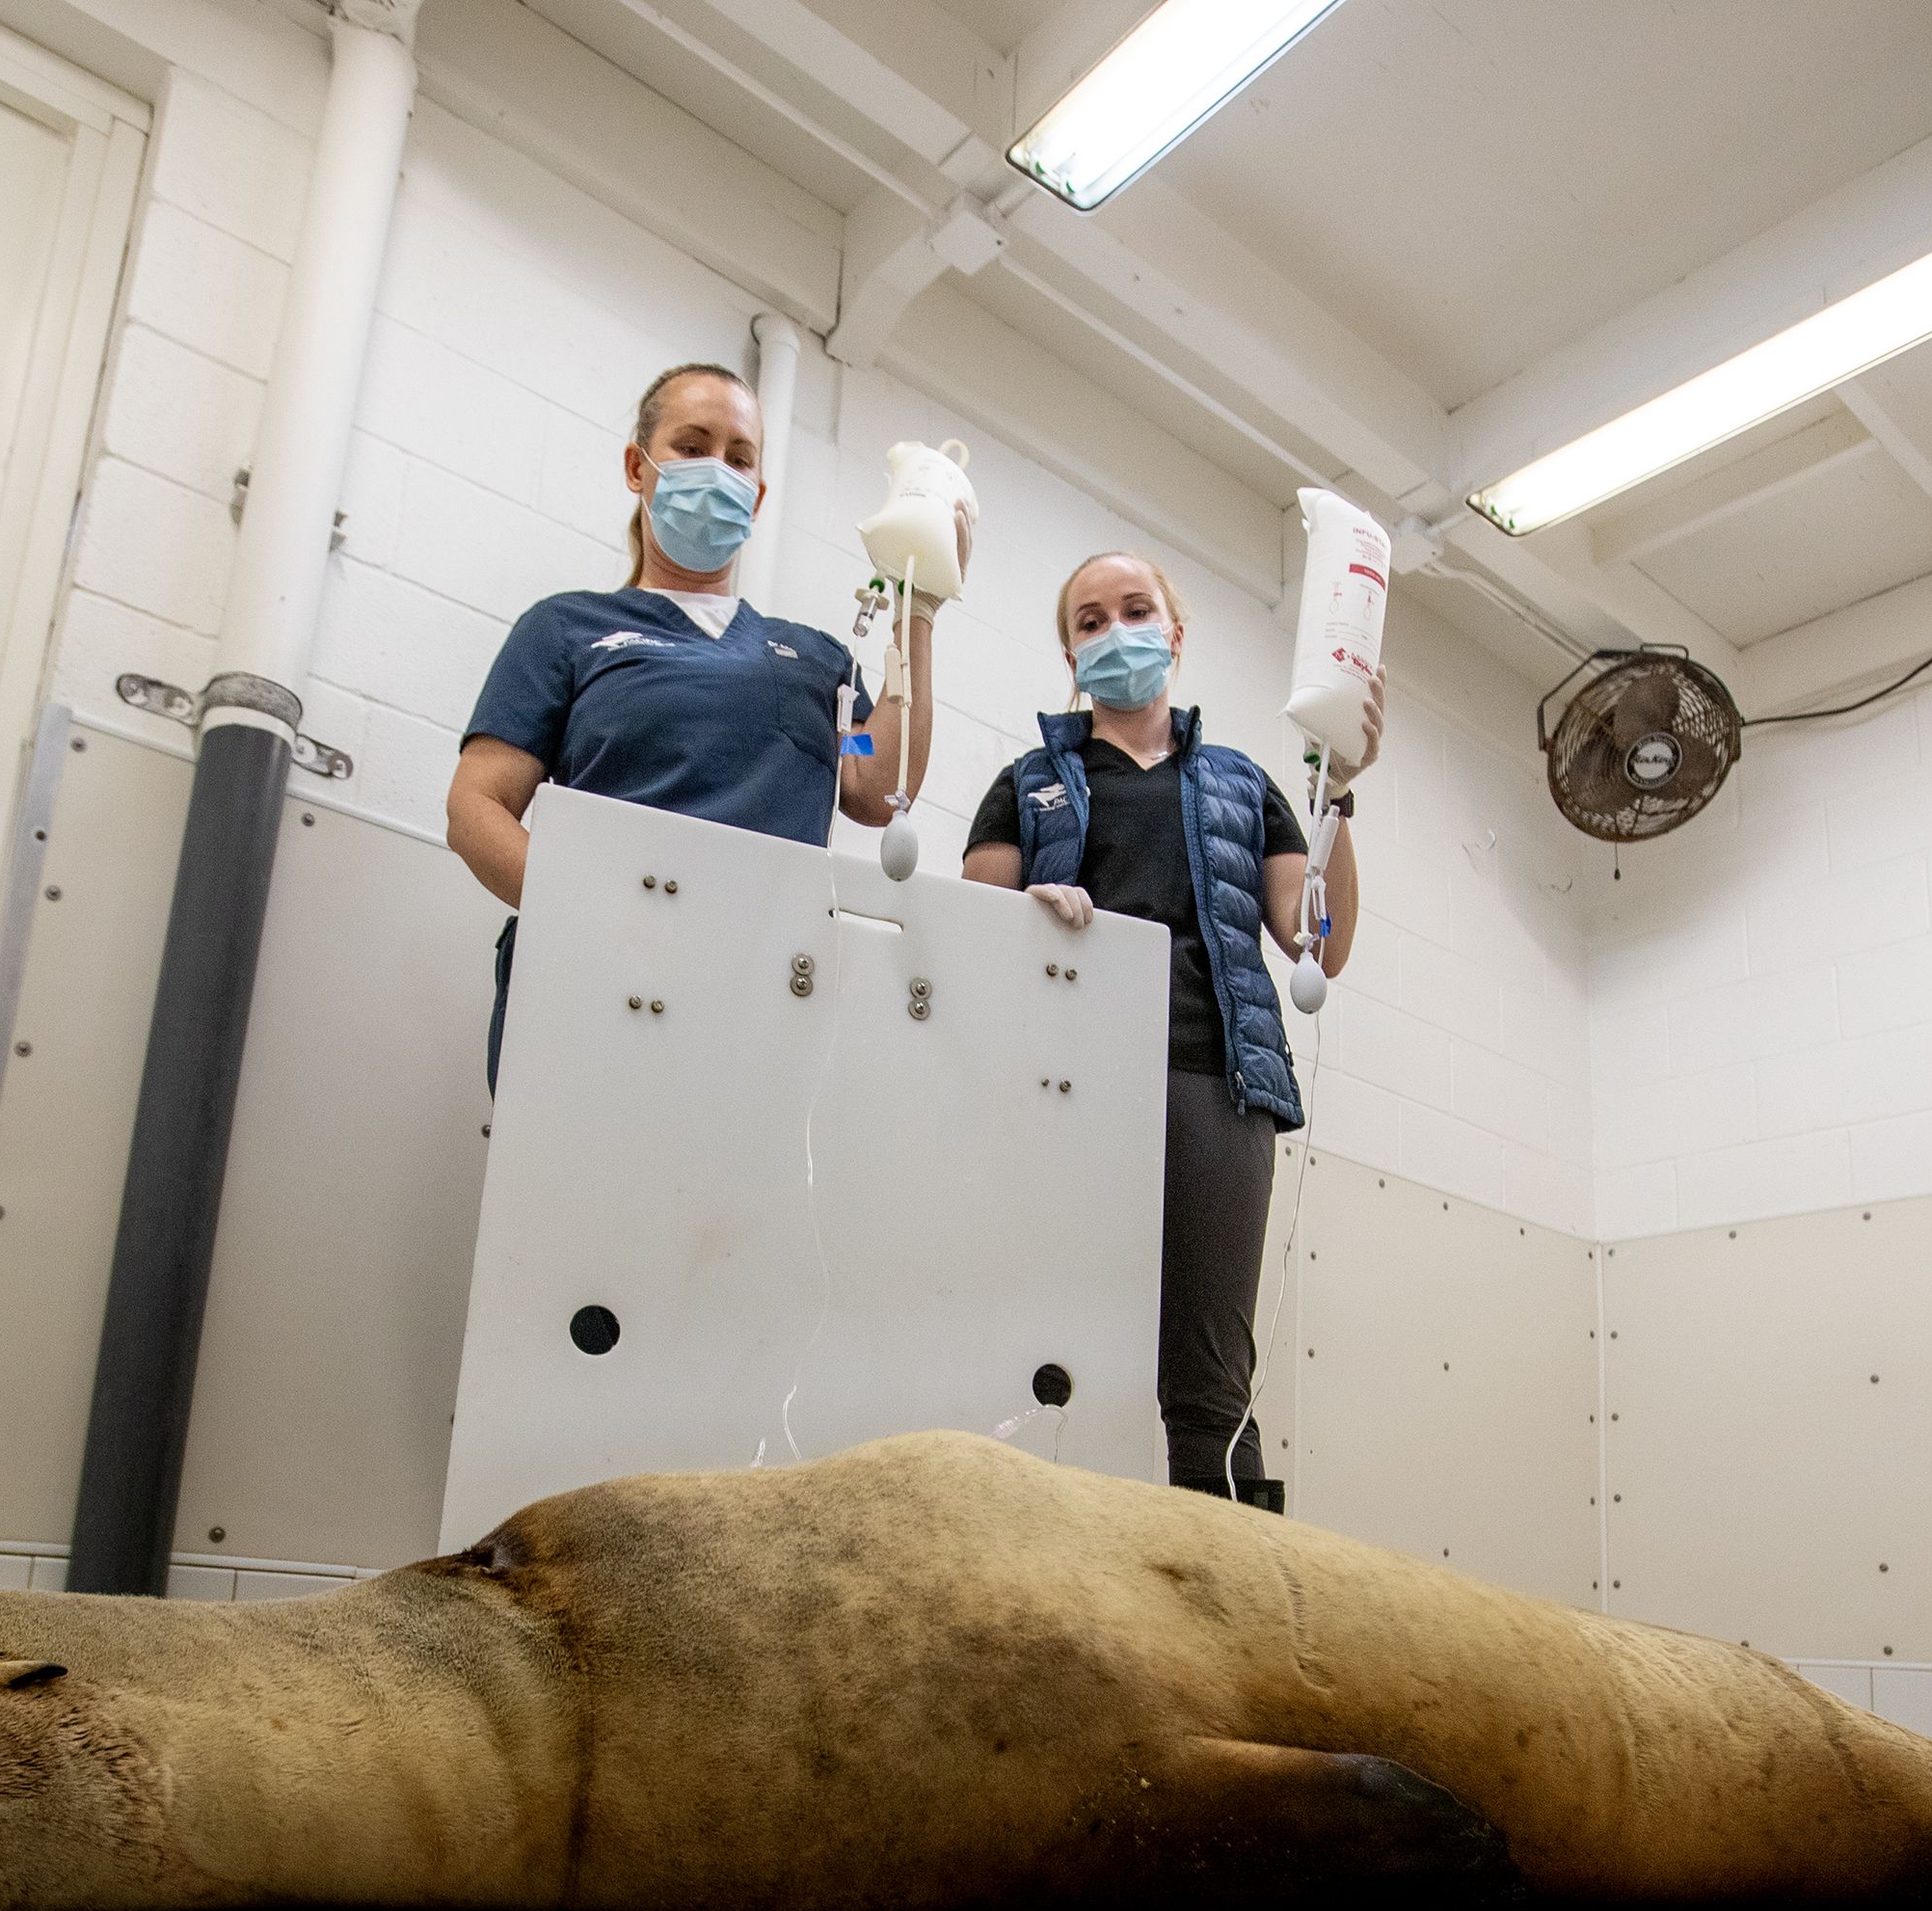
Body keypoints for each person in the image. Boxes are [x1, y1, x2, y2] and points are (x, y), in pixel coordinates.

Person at [961, 551, 1374, 1501]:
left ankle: (1230, 1615)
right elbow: (970, 938)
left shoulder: (1242, 783)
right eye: (1090, 619)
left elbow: (1320, 938)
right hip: (1063, 1080)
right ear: (1069, 649)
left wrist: (1337, 793)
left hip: (1213, 1082)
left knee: (1209, 1379)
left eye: (1135, 610)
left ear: (1176, 635)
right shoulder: (1029, 783)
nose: (1115, 631)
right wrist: (1027, 910)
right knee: (1044, 1355)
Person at [447, 362, 960, 1088]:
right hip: (595, 983)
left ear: (757, 496)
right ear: (639, 465)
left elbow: (876, 784)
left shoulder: (819, 664)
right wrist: (595, 912)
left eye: (740, 457)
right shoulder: (569, 631)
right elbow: (475, 807)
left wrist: (920, 612)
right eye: (692, 446)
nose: (718, 469)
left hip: (764, 994)